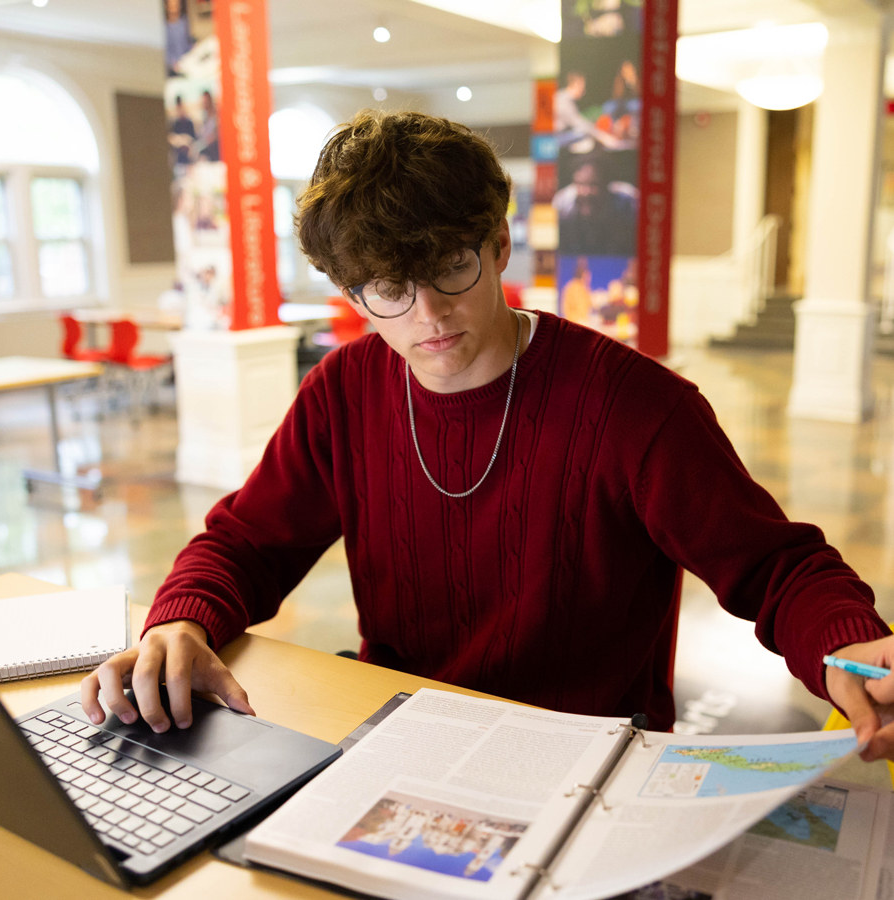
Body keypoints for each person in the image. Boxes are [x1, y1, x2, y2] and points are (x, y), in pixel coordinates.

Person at [82, 110, 894, 763]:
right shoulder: (345, 390)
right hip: (405, 733)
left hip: (594, 754)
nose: (429, 317)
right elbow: (248, 543)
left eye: (451, 270)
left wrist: (844, 645)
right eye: (390, 291)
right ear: (353, 294)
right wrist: (179, 621)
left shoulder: (637, 406)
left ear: (499, 245)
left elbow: (776, 565)